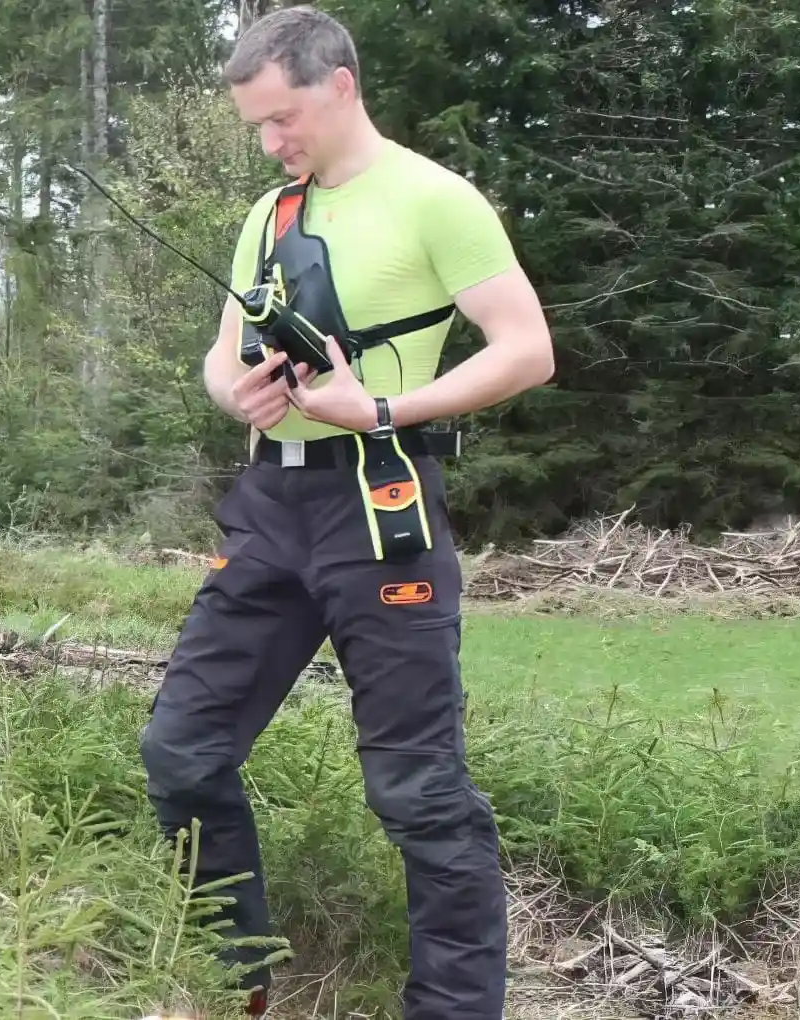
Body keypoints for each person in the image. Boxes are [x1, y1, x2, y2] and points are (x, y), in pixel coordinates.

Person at [136, 6, 555, 1020]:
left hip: (381, 505)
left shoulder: (435, 200)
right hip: (270, 506)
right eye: (258, 129)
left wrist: (377, 406)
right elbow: (222, 347)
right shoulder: (269, 215)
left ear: (340, 86)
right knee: (181, 753)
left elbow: (526, 349)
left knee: (417, 790)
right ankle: (235, 979)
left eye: (283, 120)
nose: (273, 144)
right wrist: (230, 390)